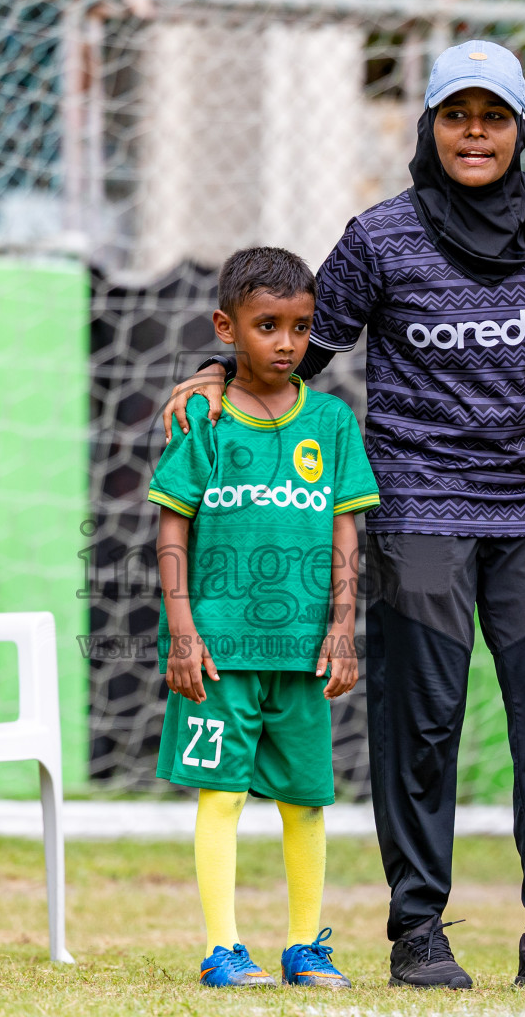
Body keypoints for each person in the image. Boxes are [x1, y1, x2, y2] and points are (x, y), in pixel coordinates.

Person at [159, 43, 525, 988]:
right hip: (420, 511)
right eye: (455, 116)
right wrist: (215, 378)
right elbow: (301, 342)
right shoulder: (381, 236)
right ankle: (419, 933)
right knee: (424, 722)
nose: (474, 133)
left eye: (492, 117)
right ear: (428, 126)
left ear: (519, 129)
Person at [150, 248, 380, 989]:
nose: (287, 343)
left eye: (302, 327)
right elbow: (171, 531)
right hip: (218, 651)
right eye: (267, 326)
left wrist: (342, 627)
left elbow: (348, 531)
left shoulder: (334, 423)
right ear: (227, 327)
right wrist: (183, 633)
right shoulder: (203, 419)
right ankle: (224, 948)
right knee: (222, 794)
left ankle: (305, 944)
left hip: (305, 650)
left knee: (306, 799)